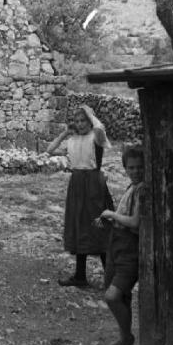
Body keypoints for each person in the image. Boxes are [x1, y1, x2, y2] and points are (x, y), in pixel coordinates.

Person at [46, 104, 114, 287]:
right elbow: (49, 150)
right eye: (77, 121)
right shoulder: (73, 140)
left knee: (98, 225)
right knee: (79, 226)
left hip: (93, 185)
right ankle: (80, 276)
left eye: (83, 120)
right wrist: (64, 134)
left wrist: (90, 114)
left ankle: (110, 278)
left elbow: (99, 128)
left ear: (89, 121)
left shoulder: (96, 137)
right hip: (77, 184)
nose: (80, 124)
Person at [94, 145, 144, 345]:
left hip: (129, 250)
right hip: (117, 245)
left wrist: (112, 215)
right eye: (130, 167)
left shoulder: (143, 190)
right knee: (120, 297)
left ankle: (127, 337)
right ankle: (124, 342)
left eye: (139, 167)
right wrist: (108, 220)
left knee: (113, 296)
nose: (134, 171)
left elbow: (135, 223)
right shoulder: (132, 187)